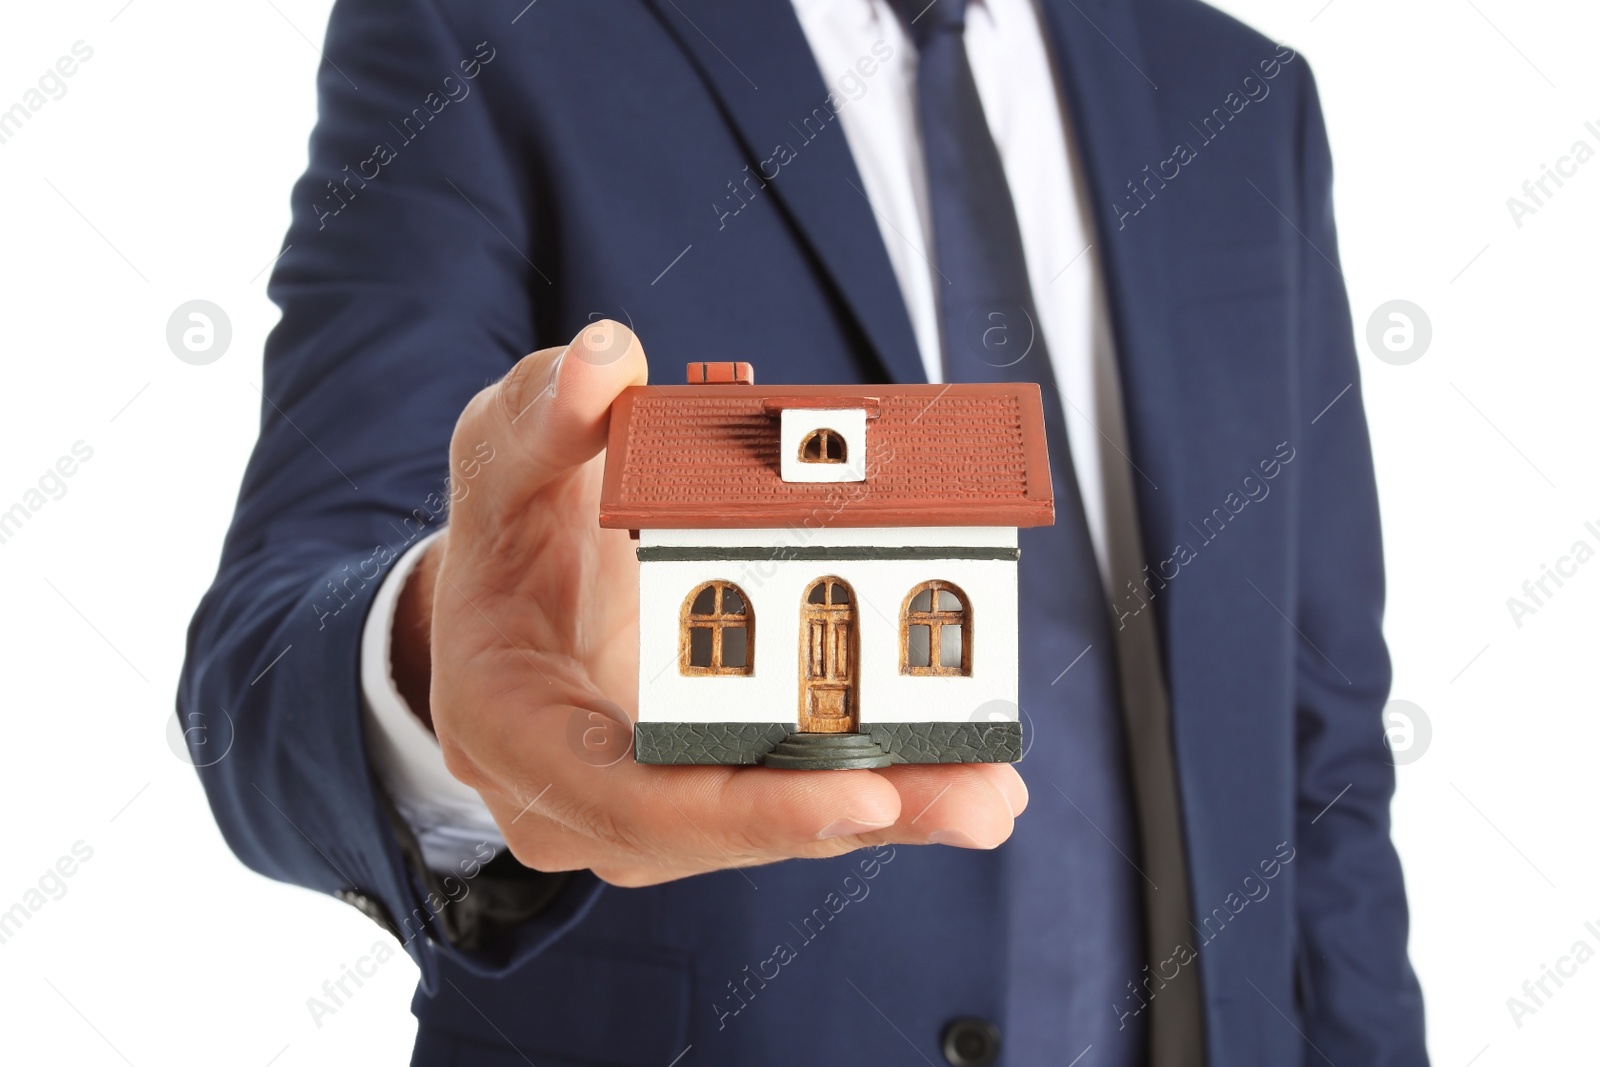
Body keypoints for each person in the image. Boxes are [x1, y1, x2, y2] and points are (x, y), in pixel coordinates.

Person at [180, 0, 1428, 1064]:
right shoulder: (488, 25)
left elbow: (1320, 744)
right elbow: (258, 662)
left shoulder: (1244, 95)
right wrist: (440, 666)